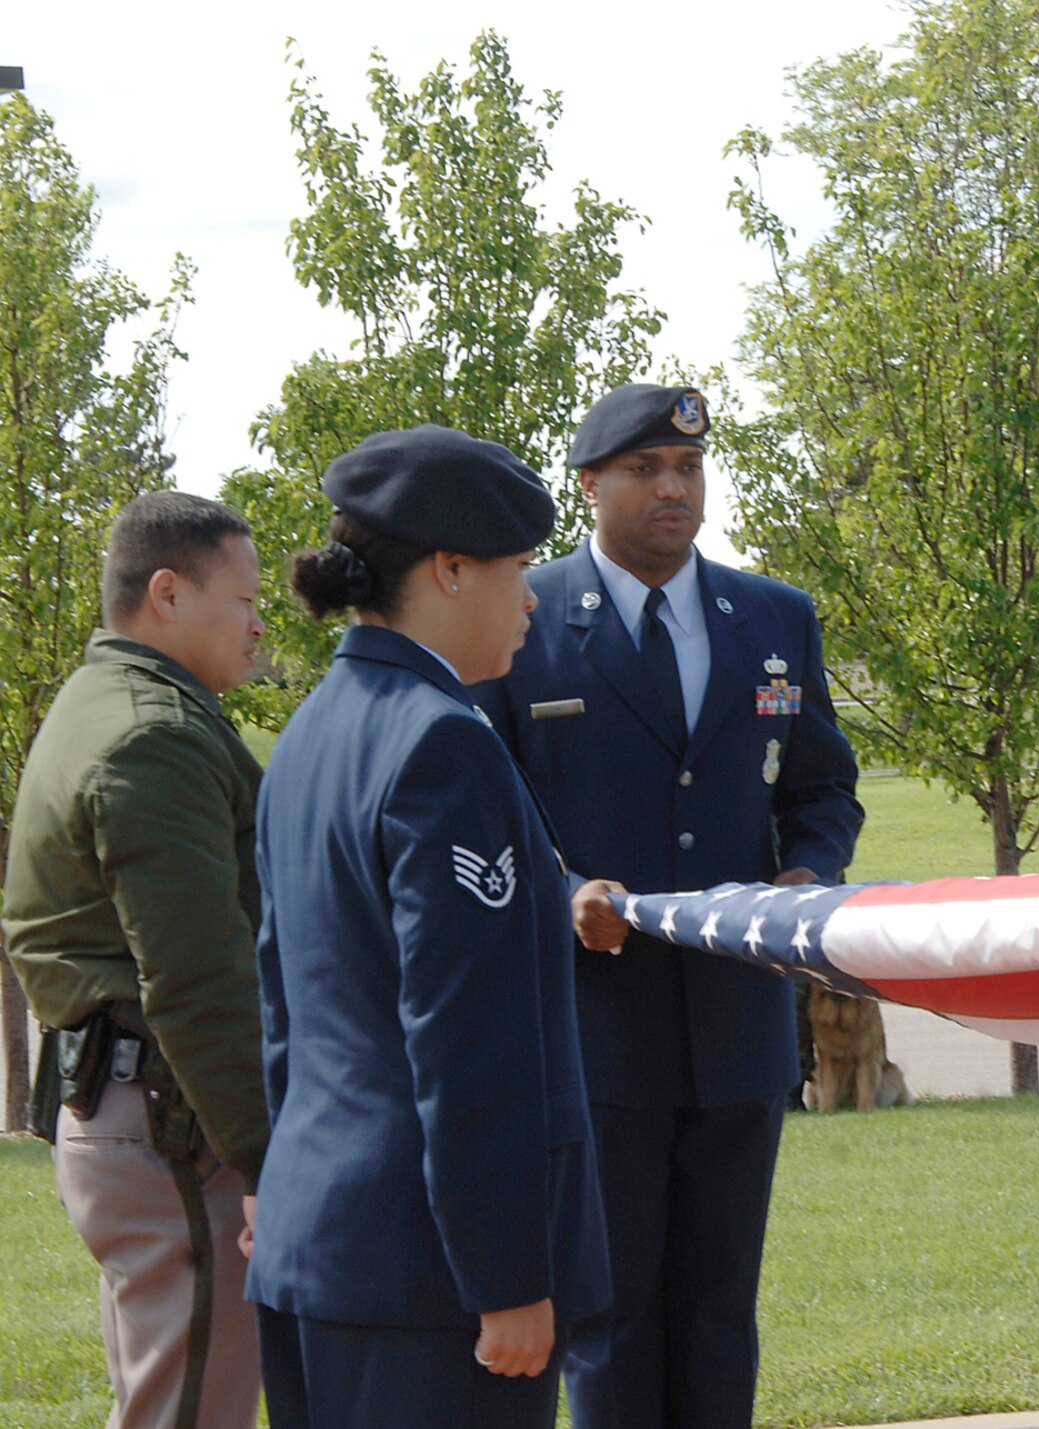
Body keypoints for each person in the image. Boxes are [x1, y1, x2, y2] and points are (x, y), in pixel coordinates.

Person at [474, 383, 863, 1429]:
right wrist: (560, 895)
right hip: (595, 1035)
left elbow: (820, 784)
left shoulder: (772, 616)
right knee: (609, 1316)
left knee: (718, 1309)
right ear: (589, 484)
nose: (672, 488)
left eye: (687, 469)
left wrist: (807, 875)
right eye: (644, 469)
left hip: (738, 1025)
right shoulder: (523, 616)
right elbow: (481, 806)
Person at [247, 426, 611, 1429]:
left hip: (315, 1247)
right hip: (426, 1280)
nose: (531, 597)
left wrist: (276, 1189)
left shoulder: (310, 731)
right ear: (449, 569)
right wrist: (506, 1276)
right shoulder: (445, 743)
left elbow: (282, 1007)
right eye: (518, 568)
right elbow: (467, 1041)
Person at [3, 491, 268, 1429]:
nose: (260, 621)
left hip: (129, 1107)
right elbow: (200, 984)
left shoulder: (101, 700)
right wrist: (271, 1159)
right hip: (173, 1124)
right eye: (243, 598)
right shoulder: (153, 733)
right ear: (168, 593)